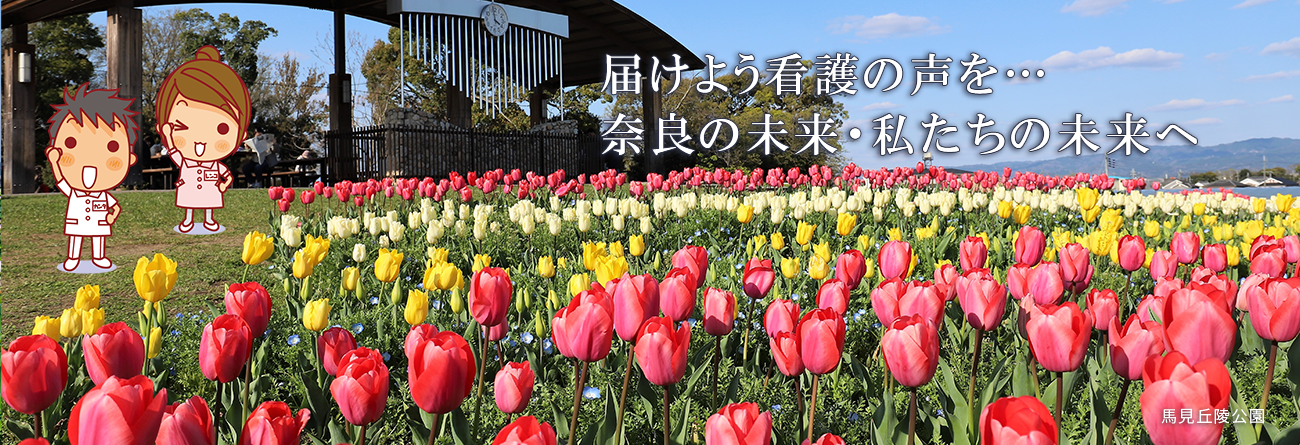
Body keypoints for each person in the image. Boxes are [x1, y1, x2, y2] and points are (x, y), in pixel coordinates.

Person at [156, 45, 252, 233]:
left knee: (209, 203)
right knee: (190, 202)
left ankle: (209, 219)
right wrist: (168, 135)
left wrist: (224, 183)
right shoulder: (187, 161)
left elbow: (227, 175)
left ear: (241, 134)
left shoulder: (214, 165)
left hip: (210, 190)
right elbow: (175, 152)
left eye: (221, 128)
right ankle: (188, 220)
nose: (201, 140)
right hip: (189, 188)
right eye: (184, 126)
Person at [43, 84, 138, 271]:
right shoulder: (75, 191)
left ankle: (99, 256)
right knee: (76, 236)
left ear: (129, 158)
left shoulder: (102, 195)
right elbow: (62, 182)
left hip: (98, 220)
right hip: (77, 220)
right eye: (71, 143)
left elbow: (115, 206)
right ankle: (73, 257)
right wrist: (55, 162)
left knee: (98, 236)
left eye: (112, 147)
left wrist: (112, 216)